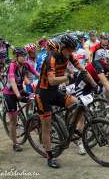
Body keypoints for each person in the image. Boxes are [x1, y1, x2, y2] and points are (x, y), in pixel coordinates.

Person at [35, 34, 98, 168]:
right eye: (69, 50)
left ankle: (71, 129)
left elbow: (82, 69)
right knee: (46, 125)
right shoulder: (51, 58)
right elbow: (52, 80)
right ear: (63, 47)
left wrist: (94, 85)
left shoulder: (69, 54)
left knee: (77, 103)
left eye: (72, 51)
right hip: (43, 95)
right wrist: (69, 77)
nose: (70, 53)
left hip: (55, 92)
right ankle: (50, 156)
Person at [3, 47, 39, 152]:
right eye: (22, 56)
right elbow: (12, 81)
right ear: (16, 57)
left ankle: (31, 119)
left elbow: (37, 74)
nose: (24, 58)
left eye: (25, 56)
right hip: (10, 94)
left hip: (19, 90)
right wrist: (18, 95)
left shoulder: (26, 65)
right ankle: (15, 143)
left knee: (34, 98)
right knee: (13, 120)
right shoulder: (12, 66)